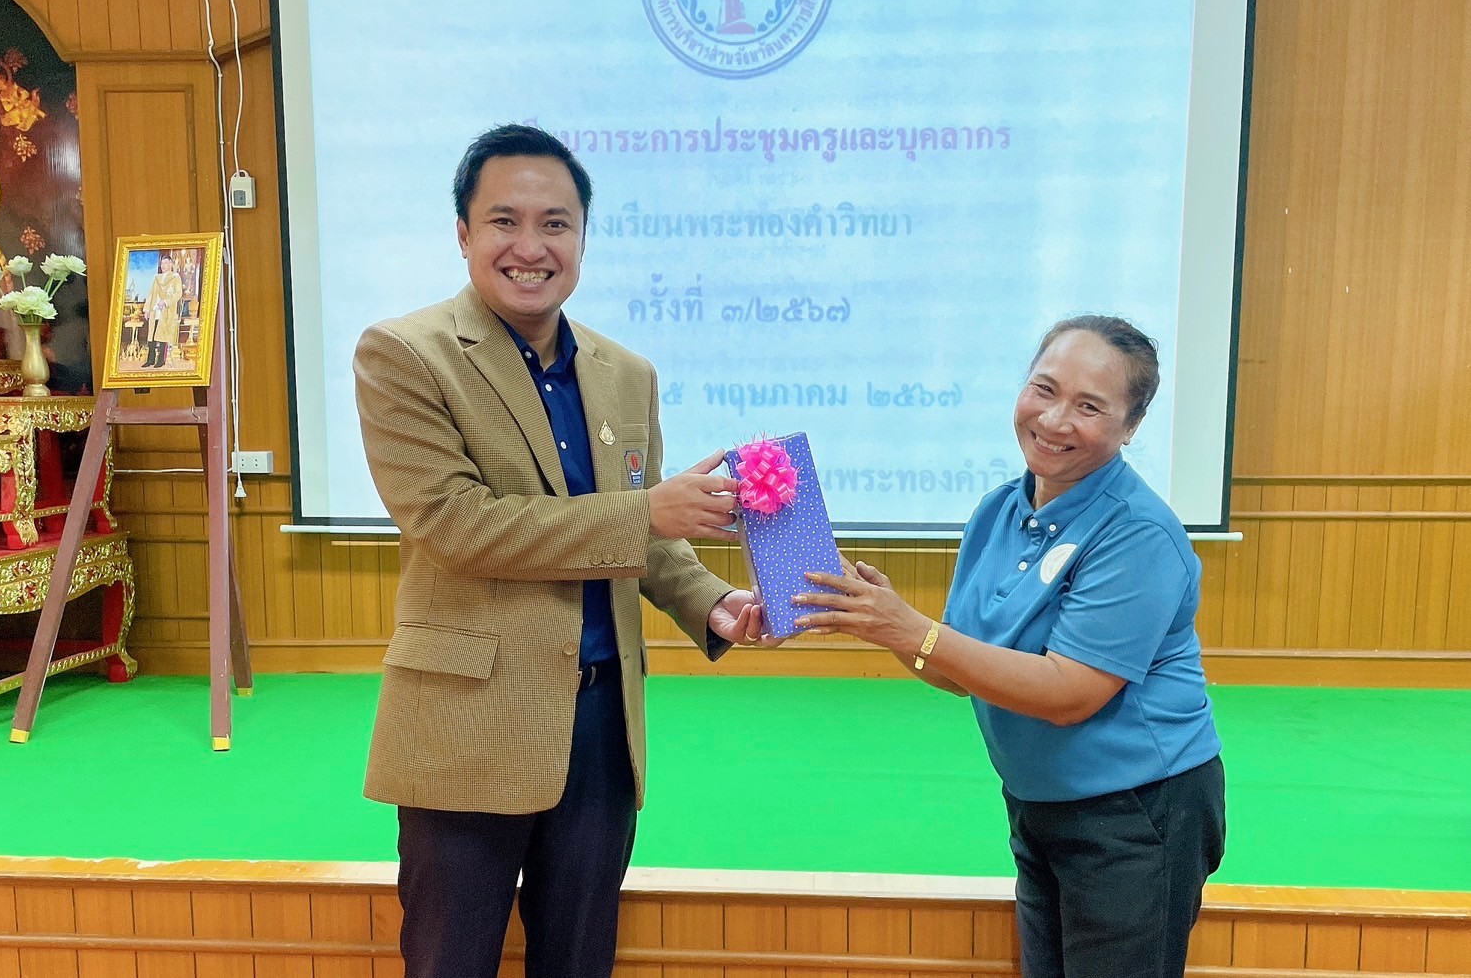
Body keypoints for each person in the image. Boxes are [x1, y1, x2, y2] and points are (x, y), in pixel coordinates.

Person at [353, 123, 771, 978]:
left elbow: (642, 542)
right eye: (504, 221)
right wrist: (647, 512)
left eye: (556, 224)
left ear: (583, 236)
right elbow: (457, 525)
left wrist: (713, 601)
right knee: (450, 963)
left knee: (579, 962)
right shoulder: (403, 354)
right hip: (468, 724)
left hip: (602, 726)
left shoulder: (626, 373)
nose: (531, 247)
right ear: (463, 232)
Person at [794, 315, 1225, 978]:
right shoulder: (998, 511)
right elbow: (959, 669)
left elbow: (1070, 694)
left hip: (1138, 809)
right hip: (1037, 803)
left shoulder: (1138, 532)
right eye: (1043, 389)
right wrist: (879, 623)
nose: (1053, 420)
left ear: (1131, 426)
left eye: (1089, 407)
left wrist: (908, 628)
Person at [141, 253, 182, 368]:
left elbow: (178, 293)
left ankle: (161, 360)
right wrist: (147, 309)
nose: (163, 265)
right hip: (155, 310)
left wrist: (166, 301)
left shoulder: (175, 277)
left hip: (166, 310)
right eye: (162, 263)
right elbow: (151, 294)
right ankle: (150, 359)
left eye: (166, 263)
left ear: (171, 264)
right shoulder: (157, 278)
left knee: (163, 335)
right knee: (152, 335)